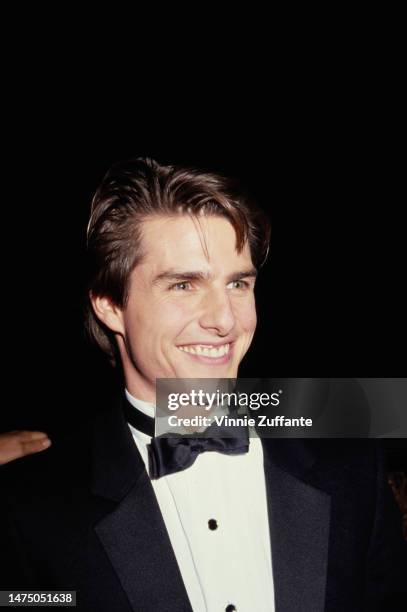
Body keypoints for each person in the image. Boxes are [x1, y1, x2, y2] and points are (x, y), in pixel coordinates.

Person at [1, 157, 406, 611]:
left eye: (238, 284)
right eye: (183, 285)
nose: (225, 319)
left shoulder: (350, 463)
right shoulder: (29, 506)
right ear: (110, 305)